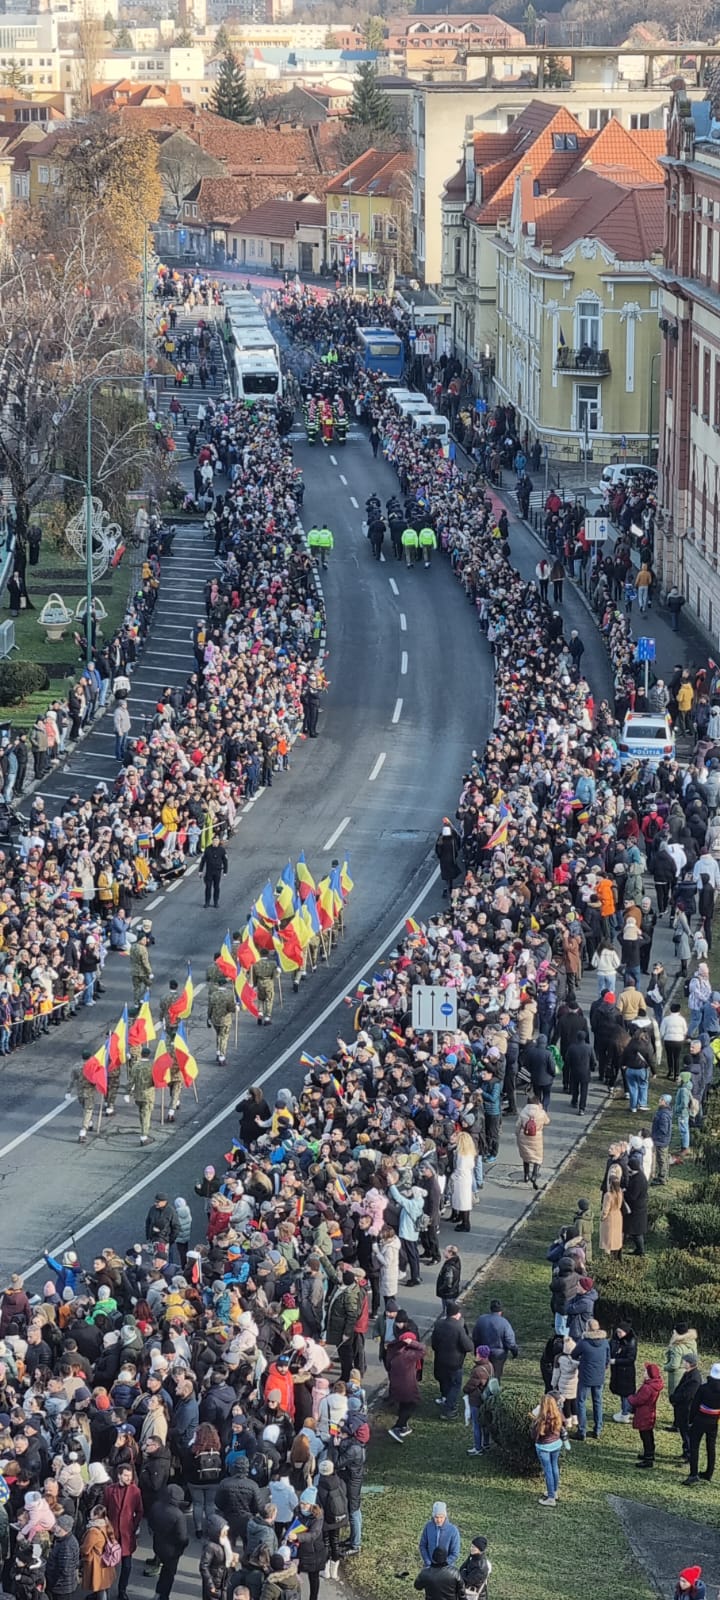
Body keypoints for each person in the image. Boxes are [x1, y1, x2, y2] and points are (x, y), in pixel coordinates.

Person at [430, 1303, 473, 1420]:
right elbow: (468, 1346)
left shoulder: (438, 1325)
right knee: (455, 1385)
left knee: (444, 1381)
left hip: (440, 1360)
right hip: (455, 1363)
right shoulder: (458, 1328)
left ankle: (445, 1398)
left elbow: (433, 1344)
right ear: (457, 1314)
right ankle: (448, 1410)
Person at [571, 1318, 610, 1440]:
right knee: (598, 1402)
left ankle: (582, 1431)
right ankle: (598, 1429)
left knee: (581, 1402)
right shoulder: (605, 1342)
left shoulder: (583, 1343)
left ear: (587, 1328)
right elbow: (608, 1359)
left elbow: (574, 1354)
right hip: (599, 1377)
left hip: (585, 1377)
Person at [685, 1362, 720, 1486]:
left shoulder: (703, 1388)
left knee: (694, 1446)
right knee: (711, 1447)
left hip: (700, 1420)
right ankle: (709, 1473)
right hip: (714, 1421)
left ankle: (693, 1474)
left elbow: (694, 1406)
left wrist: (690, 1420)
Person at [531, 1394, 566, 1508]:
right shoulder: (558, 1414)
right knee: (554, 1467)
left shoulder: (541, 1419)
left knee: (548, 1471)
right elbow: (563, 1425)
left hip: (544, 1447)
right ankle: (554, 1492)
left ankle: (550, 1498)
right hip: (556, 1444)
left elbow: (534, 1435)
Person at [627, 1361, 663, 1468]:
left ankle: (648, 1458)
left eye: (645, 1371)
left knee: (645, 1436)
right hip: (649, 1413)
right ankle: (649, 1454)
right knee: (648, 1435)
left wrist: (630, 1398)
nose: (643, 1373)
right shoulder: (654, 1385)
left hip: (644, 1414)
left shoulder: (647, 1388)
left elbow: (639, 1400)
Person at [515, 1093, 549, 1187]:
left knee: (526, 1156)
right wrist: (542, 1109)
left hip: (524, 1136)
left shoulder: (523, 1112)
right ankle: (534, 1175)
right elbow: (547, 1121)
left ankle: (526, 1175)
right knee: (538, 1157)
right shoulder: (541, 1113)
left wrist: (517, 1134)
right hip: (536, 1137)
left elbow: (518, 1125)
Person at [610, 1322, 638, 1422]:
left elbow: (631, 1359)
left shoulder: (631, 1342)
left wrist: (616, 1361)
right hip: (619, 1371)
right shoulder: (616, 1340)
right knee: (623, 1393)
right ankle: (625, 1410)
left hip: (626, 1372)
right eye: (617, 1332)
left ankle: (625, 1413)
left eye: (620, 1332)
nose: (618, 1334)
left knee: (626, 1394)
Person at [419, 1504, 461, 1569]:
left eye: (441, 1517)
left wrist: (443, 1565)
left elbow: (454, 1553)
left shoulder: (453, 1530)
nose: (439, 1520)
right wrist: (428, 1562)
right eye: (436, 1517)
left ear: (445, 1516)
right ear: (433, 1516)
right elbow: (423, 1545)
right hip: (430, 1568)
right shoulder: (428, 1527)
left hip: (446, 1569)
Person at [200, 838, 229, 909]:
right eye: (214, 841)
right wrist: (200, 870)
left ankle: (216, 902)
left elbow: (225, 861)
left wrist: (225, 871)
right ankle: (207, 902)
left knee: (216, 887)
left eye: (217, 841)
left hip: (217, 871)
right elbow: (203, 860)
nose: (215, 842)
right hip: (209, 871)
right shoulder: (207, 849)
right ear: (212, 841)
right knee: (208, 887)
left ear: (219, 842)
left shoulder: (222, 850)